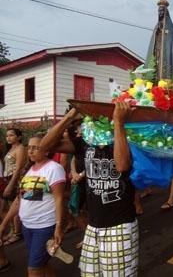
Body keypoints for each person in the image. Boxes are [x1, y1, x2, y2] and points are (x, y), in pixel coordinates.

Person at [40, 102, 139, 276]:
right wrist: (70, 115)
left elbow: (122, 165)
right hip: (93, 226)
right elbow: (45, 146)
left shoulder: (126, 137)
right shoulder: (85, 142)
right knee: (89, 274)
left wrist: (118, 122)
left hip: (120, 225)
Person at [0, 132, 65, 276]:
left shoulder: (54, 168)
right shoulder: (29, 170)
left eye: (36, 148)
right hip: (28, 226)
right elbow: (19, 200)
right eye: (29, 147)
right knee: (42, 264)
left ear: (47, 150)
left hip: (45, 226)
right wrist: (3, 224)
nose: (30, 151)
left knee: (33, 269)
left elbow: (59, 199)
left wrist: (59, 227)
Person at [2, 128, 27, 245]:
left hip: (15, 180)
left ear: (19, 137)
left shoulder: (20, 148)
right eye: (7, 136)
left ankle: (17, 233)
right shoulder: (11, 148)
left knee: (15, 207)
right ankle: (13, 231)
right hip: (8, 178)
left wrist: (11, 184)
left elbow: (18, 168)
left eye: (11, 135)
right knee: (10, 206)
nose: (8, 138)